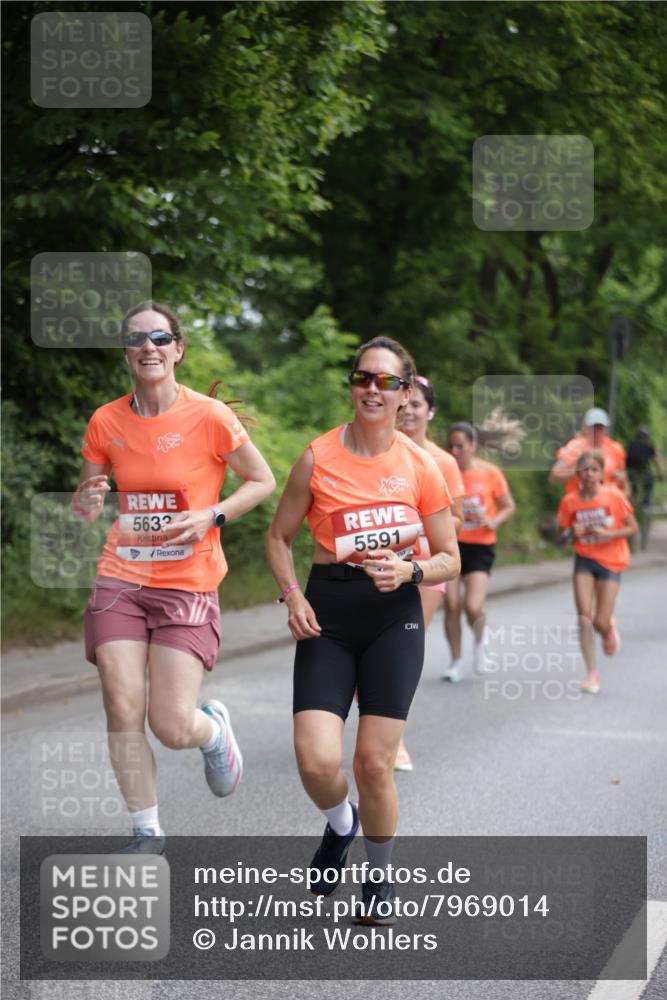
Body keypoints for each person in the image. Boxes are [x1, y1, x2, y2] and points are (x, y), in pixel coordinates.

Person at [265, 336, 460, 925]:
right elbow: (278, 538)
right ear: (353, 386)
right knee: (316, 760)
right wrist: (292, 594)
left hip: (393, 612)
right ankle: (341, 823)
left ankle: (378, 876)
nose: (373, 389)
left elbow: (451, 556)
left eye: (387, 381)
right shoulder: (317, 457)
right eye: (363, 378)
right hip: (328, 608)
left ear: (406, 394)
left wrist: (412, 568)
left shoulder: (421, 465)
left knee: (375, 763)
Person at [73, 301, 275, 851]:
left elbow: (262, 481)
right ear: (126, 354)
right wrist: (86, 501)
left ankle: (211, 731)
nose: (149, 348)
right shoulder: (105, 421)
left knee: (171, 725)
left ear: (178, 349)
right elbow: (87, 503)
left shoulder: (210, 416)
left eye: (160, 338)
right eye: (137, 339)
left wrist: (212, 515)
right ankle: (146, 831)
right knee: (121, 703)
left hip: (187, 581)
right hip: (121, 574)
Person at [393, 374, 464, 770]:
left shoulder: (443, 462)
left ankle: (395, 740)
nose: (409, 411)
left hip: (426, 569)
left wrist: (419, 527)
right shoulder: (378, 452)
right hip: (380, 567)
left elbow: (457, 521)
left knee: (403, 653)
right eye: (405, 403)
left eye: (418, 404)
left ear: (429, 411)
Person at [556, 450, 637, 693]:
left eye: (594, 470)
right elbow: (560, 537)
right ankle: (591, 673)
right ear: (577, 474)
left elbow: (633, 529)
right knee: (583, 616)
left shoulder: (613, 496)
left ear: (602, 473)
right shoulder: (570, 501)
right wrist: (572, 533)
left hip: (612, 560)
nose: (589, 474)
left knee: (600, 620)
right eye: (584, 470)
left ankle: (608, 628)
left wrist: (607, 534)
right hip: (584, 559)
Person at [442, 422, 515, 682]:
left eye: (460, 446)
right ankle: (455, 661)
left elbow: (508, 506)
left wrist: (493, 521)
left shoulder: (490, 473)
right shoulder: (444, 473)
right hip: (451, 544)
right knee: (451, 605)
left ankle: (481, 644)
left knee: (473, 606)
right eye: (451, 446)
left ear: (473, 446)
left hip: (481, 547)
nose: (455, 451)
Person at [549, 407, 628, 497]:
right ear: (585, 428)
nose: (597, 431)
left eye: (600, 427)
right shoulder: (575, 447)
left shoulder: (615, 449)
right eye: (594, 427)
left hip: (607, 505)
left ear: (606, 429)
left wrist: (623, 480)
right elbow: (553, 478)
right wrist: (578, 470)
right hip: (580, 505)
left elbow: (625, 484)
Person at [626, 426, 664, 510]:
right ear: (646, 437)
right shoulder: (648, 446)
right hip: (642, 471)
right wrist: (660, 474)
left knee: (633, 489)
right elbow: (656, 461)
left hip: (630, 472)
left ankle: (631, 507)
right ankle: (646, 505)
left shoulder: (631, 444)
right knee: (649, 484)